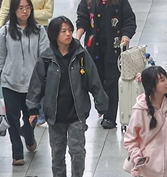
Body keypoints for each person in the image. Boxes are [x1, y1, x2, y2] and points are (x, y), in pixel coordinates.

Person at [27, 16, 110, 177]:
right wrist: (33, 108)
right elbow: (36, 85)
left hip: (76, 114)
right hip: (55, 116)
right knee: (57, 155)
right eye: (63, 31)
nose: (68, 34)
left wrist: (101, 104)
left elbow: (94, 80)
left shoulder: (81, 55)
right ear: (54, 34)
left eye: (70, 30)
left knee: (77, 152)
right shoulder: (46, 58)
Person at [75, 0, 136, 129]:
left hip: (113, 49)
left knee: (111, 81)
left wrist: (125, 36)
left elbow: (129, 20)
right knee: (95, 80)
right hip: (93, 48)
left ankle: (110, 116)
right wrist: (77, 37)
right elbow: (82, 20)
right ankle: (101, 105)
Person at [0, 0, 49, 165]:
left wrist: (45, 80)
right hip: (10, 82)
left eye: (28, 7)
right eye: (20, 8)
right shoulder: (5, 32)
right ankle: (17, 153)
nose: (25, 11)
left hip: (33, 85)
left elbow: (45, 56)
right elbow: (0, 58)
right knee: (12, 119)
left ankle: (30, 137)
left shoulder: (39, 31)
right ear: (14, 10)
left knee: (30, 118)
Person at [122, 65, 167, 177]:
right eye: (162, 80)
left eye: (166, 78)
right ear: (152, 86)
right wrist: (138, 157)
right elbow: (130, 139)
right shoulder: (140, 109)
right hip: (148, 170)